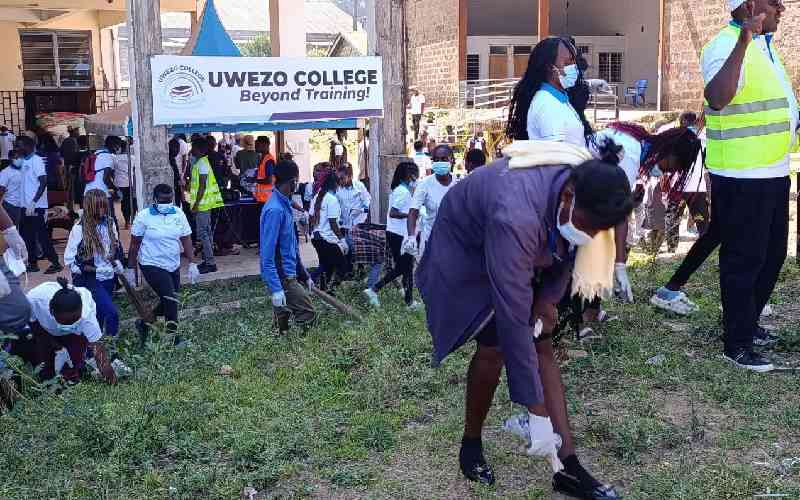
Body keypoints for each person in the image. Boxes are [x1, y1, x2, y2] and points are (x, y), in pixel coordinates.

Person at [416, 140, 629, 498]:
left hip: (530, 236)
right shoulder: (514, 213)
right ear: (568, 197)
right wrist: (536, 414)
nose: (591, 237)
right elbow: (514, 316)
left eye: (598, 231)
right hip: (468, 244)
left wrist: (547, 301)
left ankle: (568, 467)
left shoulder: (583, 197)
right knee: (496, 343)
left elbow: (569, 249)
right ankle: (471, 443)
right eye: (588, 227)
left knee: (542, 338)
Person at [670, 0, 791, 372]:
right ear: (751, 5)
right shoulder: (724, 45)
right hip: (742, 175)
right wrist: (744, 38)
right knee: (744, 260)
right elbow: (718, 99)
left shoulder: (765, 48)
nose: (781, 7)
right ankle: (736, 344)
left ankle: (749, 324)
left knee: (771, 256)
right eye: (773, 2)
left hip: (772, 169)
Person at [7, 277, 117, 385]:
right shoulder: (35, 301)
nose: (70, 324)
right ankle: (49, 385)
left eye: (74, 320)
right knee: (46, 359)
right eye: (65, 321)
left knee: (74, 361)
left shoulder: (87, 316)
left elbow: (100, 355)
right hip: (43, 329)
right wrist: (56, 346)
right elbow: (36, 328)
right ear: (51, 310)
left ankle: (73, 381)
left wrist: (111, 380)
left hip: (75, 334)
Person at [128, 184, 199, 346]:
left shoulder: (178, 213)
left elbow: (186, 238)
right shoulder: (144, 216)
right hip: (151, 263)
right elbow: (134, 243)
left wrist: (192, 263)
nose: (166, 204)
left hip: (173, 263)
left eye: (169, 200)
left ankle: (144, 322)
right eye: (162, 201)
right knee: (170, 298)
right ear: (154, 199)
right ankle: (174, 338)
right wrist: (131, 268)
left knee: (170, 299)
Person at [260, 159, 316, 334]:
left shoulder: (285, 204)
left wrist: (304, 275)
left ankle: (280, 343)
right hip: (282, 275)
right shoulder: (275, 210)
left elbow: (291, 247)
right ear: (292, 182)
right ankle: (303, 354)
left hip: (289, 272)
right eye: (297, 181)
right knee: (308, 314)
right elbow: (267, 255)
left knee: (282, 316)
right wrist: (276, 289)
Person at [64, 189, 123, 340]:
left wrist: (116, 261)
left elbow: (114, 246)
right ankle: (111, 348)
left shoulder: (109, 223)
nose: (103, 210)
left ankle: (94, 352)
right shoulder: (79, 229)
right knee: (112, 313)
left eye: (104, 206)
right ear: (90, 207)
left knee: (99, 315)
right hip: (89, 280)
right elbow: (69, 260)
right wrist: (95, 269)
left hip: (108, 277)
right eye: (99, 207)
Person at [507, 37, 585, 148]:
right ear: (550, 68)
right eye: (567, 63)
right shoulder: (547, 105)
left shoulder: (560, 98)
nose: (574, 68)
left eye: (573, 62)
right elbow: (558, 157)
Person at [363, 161, 419, 308]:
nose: (415, 179)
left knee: (407, 267)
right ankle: (375, 289)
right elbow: (393, 213)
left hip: (398, 233)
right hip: (399, 234)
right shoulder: (403, 191)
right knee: (403, 267)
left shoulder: (401, 190)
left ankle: (409, 301)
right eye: (414, 175)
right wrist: (411, 215)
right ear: (407, 176)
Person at [16, 136, 62, 274]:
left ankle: (55, 262)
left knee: (41, 235)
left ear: (28, 146)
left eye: (19, 146)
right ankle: (33, 262)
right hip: (25, 206)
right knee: (26, 235)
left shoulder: (37, 161)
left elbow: (43, 182)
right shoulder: (23, 161)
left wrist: (34, 202)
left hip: (36, 206)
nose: (17, 148)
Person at [406, 144, 455, 259]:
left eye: (444, 159)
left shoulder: (459, 184)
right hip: (432, 241)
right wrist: (411, 237)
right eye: (436, 160)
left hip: (454, 242)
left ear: (451, 160)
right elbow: (413, 211)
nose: (439, 162)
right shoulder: (425, 184)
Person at [186, 138, 223, 274]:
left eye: (193, 148)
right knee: (206, 233)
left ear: (199, 149)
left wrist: (195, 205)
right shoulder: (201, 162)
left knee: (203, 234)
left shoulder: (202, 163)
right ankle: (208, 260)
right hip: (204, 204)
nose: (191, 151)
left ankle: (210, 262)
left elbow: (202, 186)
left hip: (202, 205)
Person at [309, 168, 348, 291]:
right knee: (343, 267)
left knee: (326, 265)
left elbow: (311, 217)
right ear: (335, 184)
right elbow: (333, 224)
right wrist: (342, 240)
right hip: (326, 239)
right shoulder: (332, 199)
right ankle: (311, 281)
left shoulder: (318, 196)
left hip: (316, 237)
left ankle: (323, 289)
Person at [85, 136, 123, 217]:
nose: (119, 148)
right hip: (102, 193)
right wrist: (115, 190)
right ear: (114, 145)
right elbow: (106, 179)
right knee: (110, 218)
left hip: (89, 191)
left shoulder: (96, 153)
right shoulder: (108, 157)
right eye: (118, 145)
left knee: (92, 219)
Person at [0, 151, 24, 225]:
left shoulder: (25, 170)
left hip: (23, 205)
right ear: (10, 159)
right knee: (12, 231)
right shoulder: (5, 173)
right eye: (16, 158)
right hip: (10, 206)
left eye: (20, 157)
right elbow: (1, 190)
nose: (19, 159)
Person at [114, 140, 134, 229]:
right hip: (130, 183)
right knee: (130, 202)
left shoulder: (115, 158)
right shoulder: (133, 158)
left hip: (119, 184)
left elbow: (112, 171)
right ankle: (129, 221)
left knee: (123, 203)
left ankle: (127, 221)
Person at [254, 136, 276, 205]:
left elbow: (268, 180)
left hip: (267, 199)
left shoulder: (268, 160)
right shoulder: (263, 158)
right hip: (262, 199)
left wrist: (254, 180)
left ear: (264, 145)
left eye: (257, 145)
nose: (255, 147)